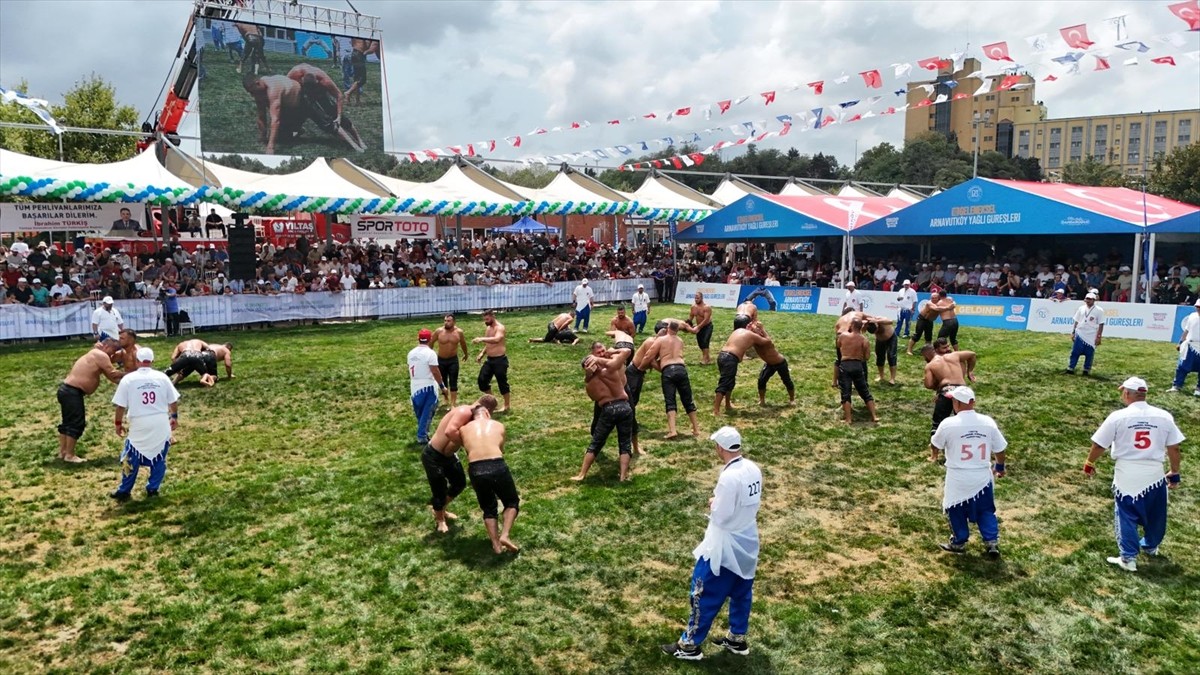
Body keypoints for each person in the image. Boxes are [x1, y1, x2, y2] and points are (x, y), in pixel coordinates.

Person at [661, 426, 761, 661]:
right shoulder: (753, 468)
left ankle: (689, 646)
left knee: (703, 592)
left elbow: (721, 516)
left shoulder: (729, 477)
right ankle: (736, 637)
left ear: (720, 448)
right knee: (742, 593)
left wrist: (713, 503)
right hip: (747, 541)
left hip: (724, 546)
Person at [1085, 377, 1184, 572]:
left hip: (1127, 472)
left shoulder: (1117, 417)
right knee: (1156, 513)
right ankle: (1151, 546)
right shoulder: (1164, 416)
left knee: (1126, 515)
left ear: (1126, 393)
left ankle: (1128, 558)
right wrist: (1174, 471)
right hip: (1154, 472)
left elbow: (1099, 445)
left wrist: (1089, 463)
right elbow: (1174, 448)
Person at [929, 386, 1008, 557]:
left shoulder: (948, 424)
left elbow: (936, 443)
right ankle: (991, 542)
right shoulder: (988, 422)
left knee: (955, 509)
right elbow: (1000, 448)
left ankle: (959, 541)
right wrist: (1000, 466)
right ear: (973, 402)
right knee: (985, 510)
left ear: (956, 403)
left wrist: (933, 453)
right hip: (982, 476)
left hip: (958, 476)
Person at [109, 348, 180, 502]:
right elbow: (173, 400)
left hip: (139, 423)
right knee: (159, 457)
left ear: (137, 361)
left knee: (129, 457)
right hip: (160, 422)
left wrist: (118, 423)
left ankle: (124, 490)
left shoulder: (129, 379)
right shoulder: (162, 377)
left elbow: (120, 406)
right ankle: (153, 488)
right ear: (152, 361)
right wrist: (174, 416)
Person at [423, 395, 498, 533]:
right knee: (439, 489)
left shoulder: (471, 417)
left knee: (459, 483)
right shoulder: (465, 411)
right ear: (486, 409)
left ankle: (440, 508)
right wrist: (469, 443)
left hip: (449, 456)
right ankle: (440, 520)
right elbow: (450, 431)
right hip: (433, 456)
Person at [459, 404, 520, 554]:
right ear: (487, 412)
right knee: (511, 502)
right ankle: (505, 535)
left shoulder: (463, 429)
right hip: (496, 464)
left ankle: (496, 545)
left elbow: (467, 448)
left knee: (488, 508)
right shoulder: (498, 425)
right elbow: (501, 449)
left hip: (476, 468)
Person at [573, 342, 635, 482]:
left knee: (596, 443)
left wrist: (589, 375)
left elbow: (594, 398)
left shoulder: (589, 384)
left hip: (608, 408)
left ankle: (582, 474)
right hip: (624, 406)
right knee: (625, 443)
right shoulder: (611, 369)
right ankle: (623, 476)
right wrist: (610, 354)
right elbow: (627, 351)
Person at [56, 339, 125, 463]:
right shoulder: (101, 355)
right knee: (76, 423)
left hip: (67, 391)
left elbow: (112, 378)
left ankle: (63, 452)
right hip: (72, 392)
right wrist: (133, 374)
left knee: (67, 423)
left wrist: (129, 384)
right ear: (106, 346)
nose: (113, 355)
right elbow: (113, 373)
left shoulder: (95, 354)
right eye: (113, 350)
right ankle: (69, 455)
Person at [645, 320, 700, 438]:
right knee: (688, 399)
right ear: (677, 330)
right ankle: (696, 429)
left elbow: (649, 356)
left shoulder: (661, 340)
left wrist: (646, 367)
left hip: (668, 369)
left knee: (670, 401)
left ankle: (673, 430)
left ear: (668, 328)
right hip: (681, 368)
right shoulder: (680, 341)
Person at [713, 316, 772, 416]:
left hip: (722, 356)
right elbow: (767, 341)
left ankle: (727, 404)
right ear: (747, 325)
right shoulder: (751, 335)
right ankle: (716, 411)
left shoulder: (737, 331)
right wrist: (762, 329)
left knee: (730, 382)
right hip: (730, 359)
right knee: (724, 383)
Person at [922, 340, 977, 435]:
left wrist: (937, 384)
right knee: (965, 419)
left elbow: (929, 385)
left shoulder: (930, 365)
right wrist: (969, 371)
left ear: (926, 356)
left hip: (946, 391)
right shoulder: (955, 355)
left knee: (938, 424)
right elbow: (972, 354)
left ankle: (936, 441)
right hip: (962, 389)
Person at [836, 317, 878, 424]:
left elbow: (838, 345)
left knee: (846, 393)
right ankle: (874, 416)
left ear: (851, 325)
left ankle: (848, 419)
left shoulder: (843, 336)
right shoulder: (864, 340)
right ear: (861, 327)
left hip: (845, 365)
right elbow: (867, 357)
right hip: (857, 365)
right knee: (865, 392)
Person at [408, 329, 445, 445]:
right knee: (428, 412)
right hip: (428, 385)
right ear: (430, 339)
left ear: (418, 339)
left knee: (420, 412)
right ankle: (422, 435)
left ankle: (423, 432)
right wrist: (442, 386)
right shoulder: (430, 353)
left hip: (414, 386)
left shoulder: (411, 353)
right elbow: (435, 371)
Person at [473, 310, 510, 412]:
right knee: (482, 381)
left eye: (487, 319)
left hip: (500, 360)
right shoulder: (488, 328)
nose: (486, 321)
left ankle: (507, 405)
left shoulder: (500, 328)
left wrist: (481, 339)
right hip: (490, 360)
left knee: (502, 383)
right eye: (484, 319)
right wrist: (482, 353)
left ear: (493, 316)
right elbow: (489, 342)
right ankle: (493, 402)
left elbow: (497, 339)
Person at [433, 314, 470, 407]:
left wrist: (466, 354)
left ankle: (453, 403)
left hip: (453, 360)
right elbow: (431, 342)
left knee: (453, 381)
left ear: (454, 322)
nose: (446, 322)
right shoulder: (439, 331)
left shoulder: (459, 332)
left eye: (449, 321)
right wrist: (429, 355)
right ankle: (445, 399)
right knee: (443, 381)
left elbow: (463, 343)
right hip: (441, 360)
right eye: (445, 321)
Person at [1066, 291, 1105, 376]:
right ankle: (1071, 367)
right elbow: (1076, 321)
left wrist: (1098, 336)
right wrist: (1073, 332)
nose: (1088, 301)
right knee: (1075, 351)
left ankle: (1086, 369)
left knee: (1089, 353)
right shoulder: (1081, 308)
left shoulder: (1099, 310)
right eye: (1087, 299)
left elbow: (1101, 324)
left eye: (1090, 299)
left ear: (1094, 300)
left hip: (1092, 334)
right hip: (1080, 332)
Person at [755, 329, 795, 406]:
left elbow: (768, 339)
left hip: (780, 363)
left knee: (786, 380)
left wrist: (761, 328)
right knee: (761, 380)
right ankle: (762, 400)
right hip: (769, 364)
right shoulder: (754, 341)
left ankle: (792, 400)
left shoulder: (766, 341)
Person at [1169, 298, 1200, 395]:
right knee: (1182, 366)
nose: (1198, 309)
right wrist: (1180, 342)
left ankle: (1198, 389)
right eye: (1197, 307)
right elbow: (1186, 330)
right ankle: (1177, 386)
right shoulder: (1192, 316)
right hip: (1190, 345)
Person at [865, 315, 898, 385]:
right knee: (879, 357)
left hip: (891, 338)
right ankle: (881, 376)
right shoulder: (868, 322)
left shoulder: (881, 319)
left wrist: (877, 321)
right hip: (880, 340)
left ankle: (892, 378)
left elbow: (891, 321)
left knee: (891, 356)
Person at [689, 292, 715, 365]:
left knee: (705, 342)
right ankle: (707, 358)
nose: (696, 299)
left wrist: (698, 327)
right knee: (700, 343)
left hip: (707, 326)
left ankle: (705, 359)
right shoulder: (693, 307)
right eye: (695, 298)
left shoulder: (707, 307)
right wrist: (687, 325)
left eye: (698, 298)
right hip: (699, 327)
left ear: (702, 298)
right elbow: (691, 317)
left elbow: (706, 320)